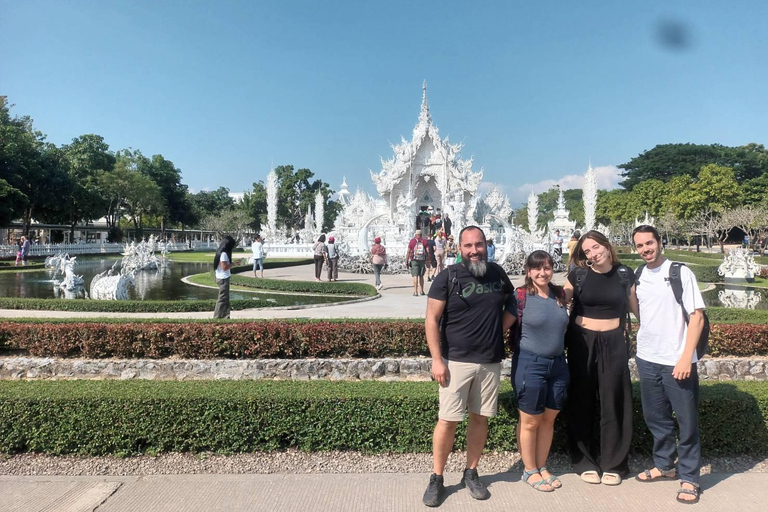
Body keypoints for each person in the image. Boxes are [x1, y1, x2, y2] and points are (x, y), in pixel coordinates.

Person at [422, 226, 517, 507]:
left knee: (480, 417)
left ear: (486, 245)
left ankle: (471, 471)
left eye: (479, 245)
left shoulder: (497, 273)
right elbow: (430, 319)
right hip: (456, 361)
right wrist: (437, 360)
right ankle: (437, 477)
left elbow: (513, 301)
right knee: (448, 420)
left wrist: (500, 329)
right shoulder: (447, 277)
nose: (474, 250)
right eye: (468, 246)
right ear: (459, 248)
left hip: (489, 361)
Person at [631, 225, 705, 504]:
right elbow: (639, 311)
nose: (645, 249)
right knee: (656, 418)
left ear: (660, 242)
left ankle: (690, 478)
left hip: (677, 361)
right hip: (648, 358)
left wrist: (686, 357)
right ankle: (665, 466)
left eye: (649, 243)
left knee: (686, 423)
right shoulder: (639, 274)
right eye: (639, 246)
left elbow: (696, 316)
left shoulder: (680, 272)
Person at [564, 230, 635, 486]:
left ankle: (614, 463)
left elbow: (638, 309)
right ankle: (584, 460)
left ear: (606, 244)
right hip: (582, 341)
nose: (593, 254)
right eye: (587, 251)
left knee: (613, 400)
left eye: (596, 247)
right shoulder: (579, 274)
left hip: (614, 341)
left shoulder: (625, 274)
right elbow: (563, 297)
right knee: (581, 399)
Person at [512, 250, 569, 492]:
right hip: (530, 363)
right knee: (530, 421)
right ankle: (529, 469)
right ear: (528, 271)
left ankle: (542, 465)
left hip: (558, 364)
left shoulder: (559, 294)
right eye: (537, 268)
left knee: (548, 419)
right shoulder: (520, 297)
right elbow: (499, 326)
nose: (542, 272)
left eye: (547, 268)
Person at [213, 235, 237, 319]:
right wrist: (234, 264)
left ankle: (225, 316)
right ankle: (217, 316)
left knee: (225, 298)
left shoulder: (220, 252)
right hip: (223, 278)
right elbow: (224, 267)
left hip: (221, 277)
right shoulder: (223, 254)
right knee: (222, 299)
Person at [406, 229, 429, 296]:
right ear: (421, 235)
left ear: (415, 235)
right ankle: (421, 291)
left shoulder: (412, 241)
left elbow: (408, 251)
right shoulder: (424, 241)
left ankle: (415, 292)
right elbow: (428, 251)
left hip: (414, 260)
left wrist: (406, 261)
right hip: (422, 260)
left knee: (415, 276)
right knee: (421, 276)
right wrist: (428, 260)